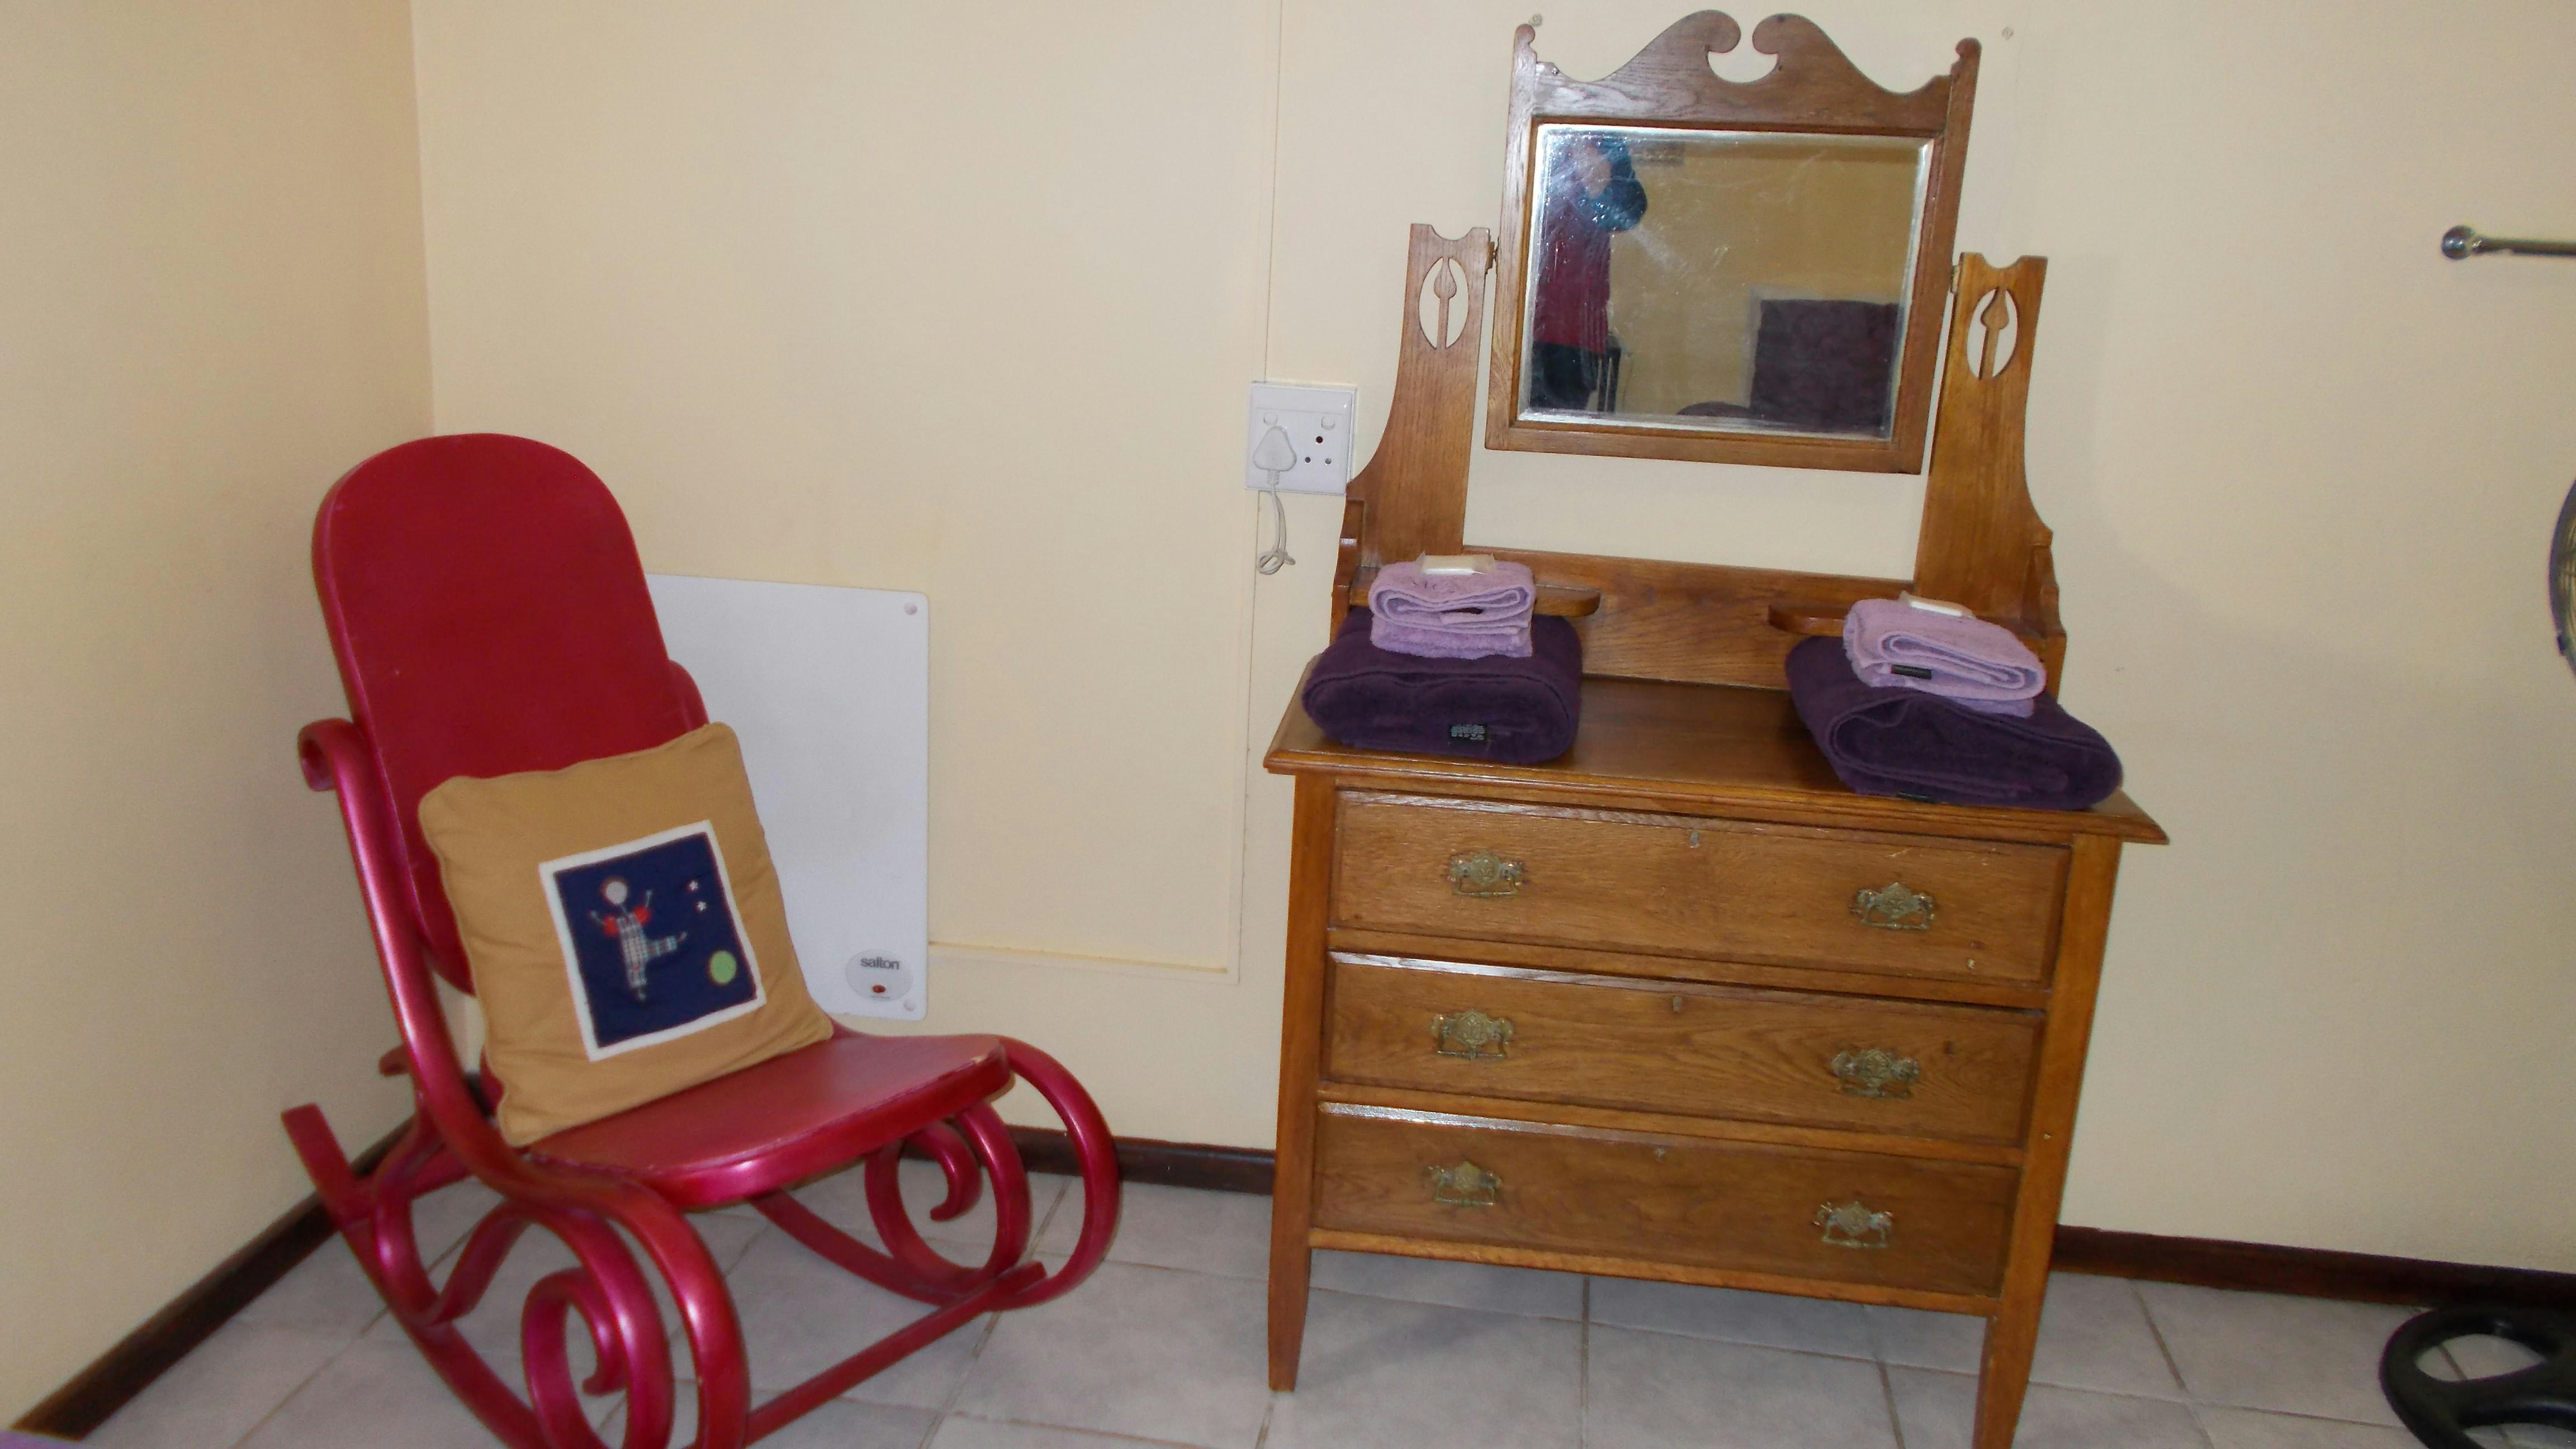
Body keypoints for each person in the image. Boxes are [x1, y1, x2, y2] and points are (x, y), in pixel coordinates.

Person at [1527, 132, 1647, 412]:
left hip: (1574, 332)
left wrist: (1596, 178)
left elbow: (1627, 214)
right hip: (1519, 318)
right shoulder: (1540, 136)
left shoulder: (1605, 138)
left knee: (1559, 430)